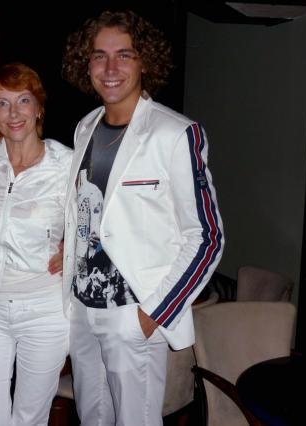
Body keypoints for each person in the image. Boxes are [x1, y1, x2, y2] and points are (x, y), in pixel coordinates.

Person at [61, 10, 225, 425]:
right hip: (82, 310)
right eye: (99, 56)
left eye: (124, 55)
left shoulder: (175, 133)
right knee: (91, 418)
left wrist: (152, 314)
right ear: (86, 64)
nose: (110, 68)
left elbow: (207, 237)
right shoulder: (84, 128)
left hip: (132, 313)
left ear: (144, 62)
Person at [0, 62, 72, 425]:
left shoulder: (67, 165)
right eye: (2, 103)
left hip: (44, 309)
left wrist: (76, 250)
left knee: (30, 418)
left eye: (23, 100)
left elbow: (105, 221)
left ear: (38, 107)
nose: (14, 113)